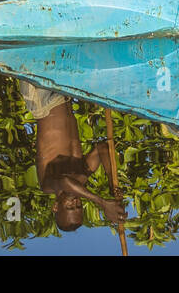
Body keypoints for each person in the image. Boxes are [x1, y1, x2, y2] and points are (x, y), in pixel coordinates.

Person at [29, 91, 127, 232]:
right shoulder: (81, 176)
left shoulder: (48, 186)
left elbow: (65, 182)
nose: (75, 202)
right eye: (79, 206)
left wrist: (103, 203)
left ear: (56, 206)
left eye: (70, 206)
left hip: (42, 99)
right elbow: (102, 149)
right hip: (63, 95)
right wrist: (112, 185)